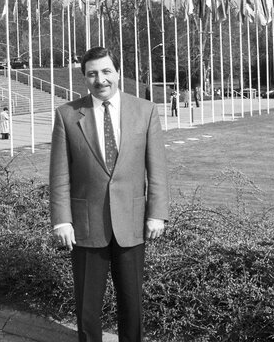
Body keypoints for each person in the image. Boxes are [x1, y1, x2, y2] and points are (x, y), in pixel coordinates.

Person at [50, 46, 169, 342]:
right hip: (86, 224)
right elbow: (59, 174)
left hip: (131, 222)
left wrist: (157, 213)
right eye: (92, 74)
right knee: (87, 307)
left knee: (132, 303)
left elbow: (157, 169)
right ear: (84, 78)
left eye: (106, 71)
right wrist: (61, 221)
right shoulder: (67, 115)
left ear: (118, 73)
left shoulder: (145, 110)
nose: (100, 79)